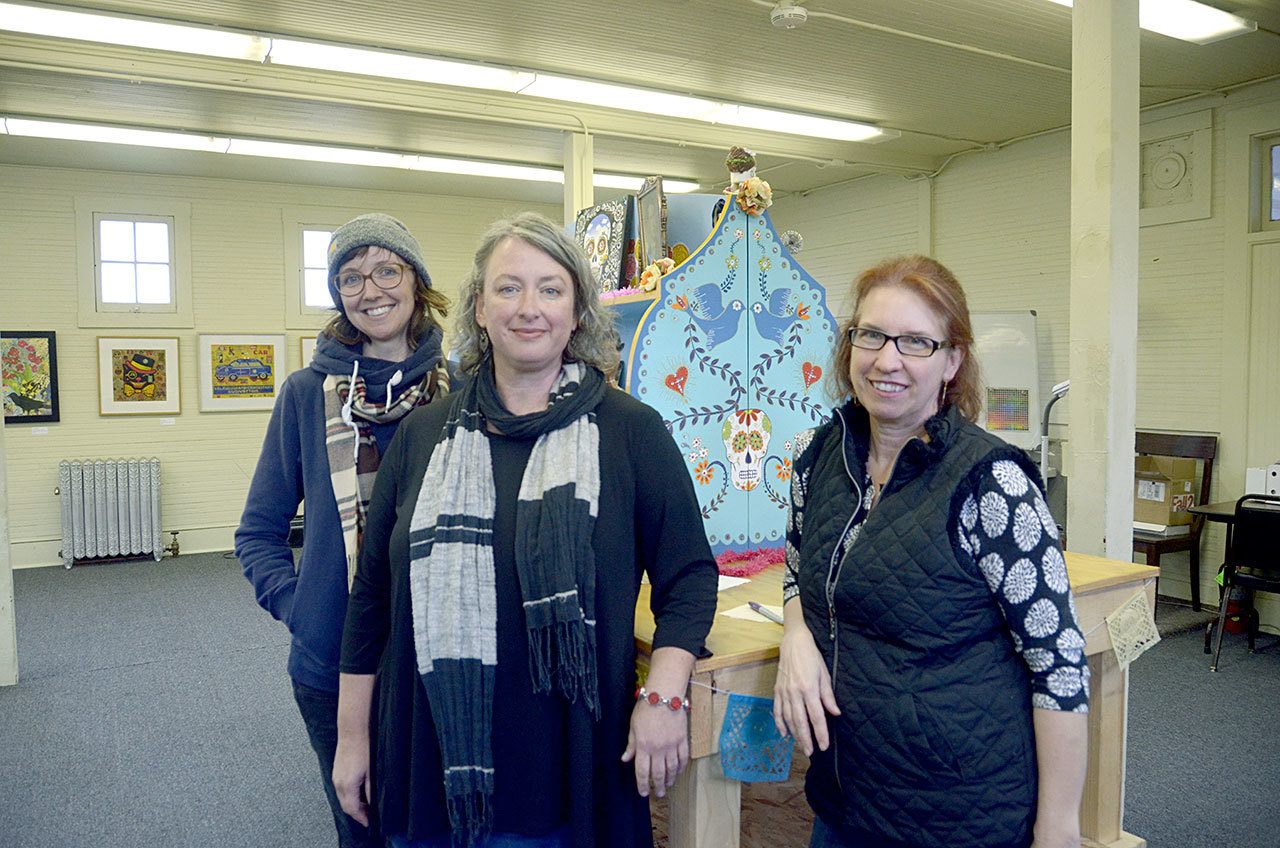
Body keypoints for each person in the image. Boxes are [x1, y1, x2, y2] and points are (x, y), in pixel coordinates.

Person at [334, 211, 718, 848]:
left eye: (550, 288)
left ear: (577, 311)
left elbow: (689, 578)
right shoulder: (425, 436)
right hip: (432, 758)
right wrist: (353, 740)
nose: (528, 308)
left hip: (569, 762)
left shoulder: (630, 431)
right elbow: (371, 601)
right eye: (508, 288)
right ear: (479, 309)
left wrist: (665, 696)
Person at [773, 255, 1089, 848]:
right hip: (846, 798)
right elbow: (796, 571)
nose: (887, 359)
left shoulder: (992, 482)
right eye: (871, 335)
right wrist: (796, 635)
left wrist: (1059, 827)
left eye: (916, 341)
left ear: (952, 360)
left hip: (957, 813)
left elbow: (1060, 665)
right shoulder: (821, 459)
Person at [236, 213, 451, 847]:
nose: (371, 289)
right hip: (330, 660)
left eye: (387, 270)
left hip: (434, 657)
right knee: (361, 828)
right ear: (338, 295)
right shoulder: (306, 394)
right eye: (351, 277)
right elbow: (258, 531)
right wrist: (303, 607)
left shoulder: (461, 392)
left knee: (436, 825)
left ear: (416, 283)